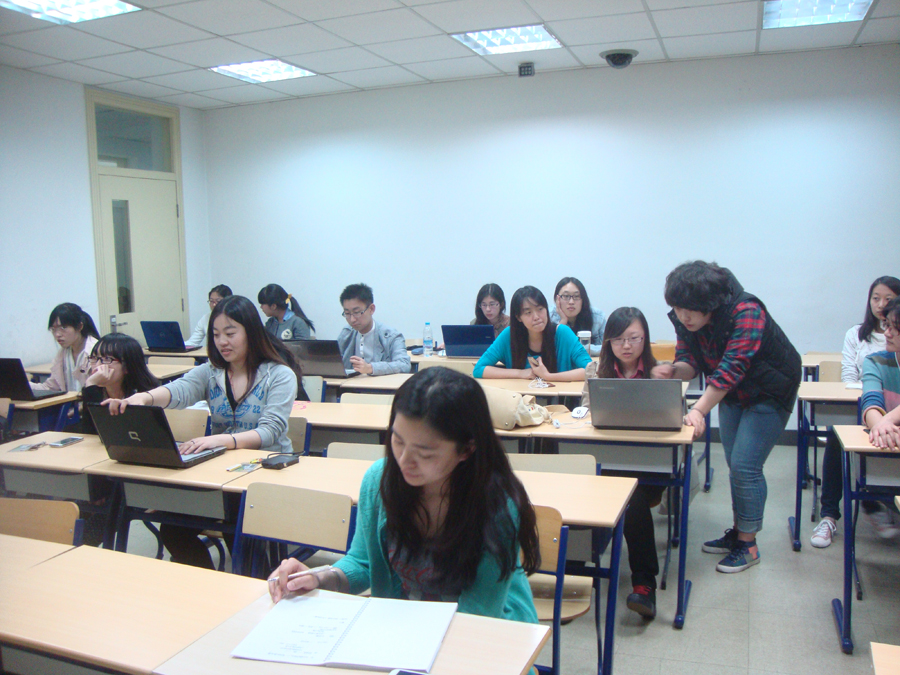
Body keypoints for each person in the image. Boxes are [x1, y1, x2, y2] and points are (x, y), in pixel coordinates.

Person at [268, 367, 540, 623]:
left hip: (492, 629)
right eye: (398, 441)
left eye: (425, 453)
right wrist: (320, 578)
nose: (404, 461)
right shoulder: (380, 481)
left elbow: (479, 616)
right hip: (409, 624)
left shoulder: (496, 504)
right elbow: (364, 562)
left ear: (467, 450)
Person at [102, 295, 298, 568]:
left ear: (251, 333)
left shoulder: (278, 375)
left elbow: (270, 431)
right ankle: (207, 582)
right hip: (221, 473)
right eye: (216, 334)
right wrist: (142, 398)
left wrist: (220, 440)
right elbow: (179, 390)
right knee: (173, 529)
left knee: (238, 527)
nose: (222, 341)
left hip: (267, 471)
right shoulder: (211, 372)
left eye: (230, 333)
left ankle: (257, 579)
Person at [651, 261, 800, 573]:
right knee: (735, 463)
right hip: (733, 393)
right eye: (677, 308)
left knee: (746, 466)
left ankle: (749, 545)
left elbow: (732, 368)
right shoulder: (686, 318)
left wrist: (698, 410)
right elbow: (689, 360)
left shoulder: (747, 311)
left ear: (711, 303)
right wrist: (674, 370)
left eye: (690, 310)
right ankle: (740, 531)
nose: (683, 316)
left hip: (771, 390)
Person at [581, 307, 664, 618]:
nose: (626, 346)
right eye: (618, 339)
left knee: (634, 498)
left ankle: (644, 584)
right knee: (583, 489)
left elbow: (674, 416)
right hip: (606, 460)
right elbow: (586, 411)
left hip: (649, 465)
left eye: (633, 338)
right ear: (608, 342)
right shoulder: (595, 371)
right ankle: (575, 570)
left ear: (645, 338)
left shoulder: (659, 372)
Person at [813, 290, 900, 547]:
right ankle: (831, 515)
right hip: (887, 442)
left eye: (894, 328)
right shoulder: (877, 361)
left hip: (889, 435)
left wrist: (886, 421)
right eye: (887, 326)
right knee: (837, 434)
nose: (887, 333)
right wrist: (881, 424)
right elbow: (871, 401)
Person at [474, 286, 591, 381]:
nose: (536, 317)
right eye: (528, 312)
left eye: (540, 309)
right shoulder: (509, 335)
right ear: (518, 317)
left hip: (561, 400)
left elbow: (590, 370)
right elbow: (479, 369)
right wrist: (521, 373)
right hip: (521, 400)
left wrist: (548, 376)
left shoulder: (563, 333)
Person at [80, 333, 160, 434]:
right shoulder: (93, 389)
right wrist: (90, 386)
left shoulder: (146, 395)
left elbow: (121, 433)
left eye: (107, 359)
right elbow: (90, 432)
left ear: (127, 366)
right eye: (94, 358)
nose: (97, 365)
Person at [337, 283, 410, 376]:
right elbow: (335, 362)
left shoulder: (391, 336)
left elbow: (404, 365)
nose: (352, 319)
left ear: (371, 309)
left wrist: (370, 368)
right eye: (347, 313)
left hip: (381, 384)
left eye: (357, 312)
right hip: (351, 384)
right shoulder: (347, 333)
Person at [841, 276, 900, 383]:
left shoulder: (895, 339)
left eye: (888, 299)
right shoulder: (855, 333)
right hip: (860, 391)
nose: (881, 305)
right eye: (876, 298)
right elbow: (849, 374)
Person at [32, 303, 100, 393]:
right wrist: (24, 384)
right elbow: (51, 387)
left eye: (63, 328)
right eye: (53, 329)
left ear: (80, 326)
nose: (57, 334)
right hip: (71, 401)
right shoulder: (63, 353)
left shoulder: (97, 351)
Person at [549, 277, 606, 357]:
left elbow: (607, 348)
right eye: (566, 296)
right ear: (557, 299)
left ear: (583, 299)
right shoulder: (549, 317)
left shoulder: (597, 317)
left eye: (576, 296)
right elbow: (550, 349)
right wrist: (562, 322)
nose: (571, 302)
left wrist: (575, 348)